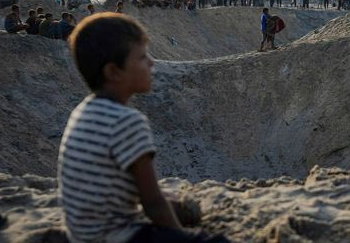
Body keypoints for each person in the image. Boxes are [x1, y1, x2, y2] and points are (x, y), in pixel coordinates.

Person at [59, 13, 227, 243]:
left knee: (173, 203)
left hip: (81, 234)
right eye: (142, 57)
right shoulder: (127, 121)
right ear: (113, 72)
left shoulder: (82, 112)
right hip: (118, 237)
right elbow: (153, 204)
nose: (152, 62)